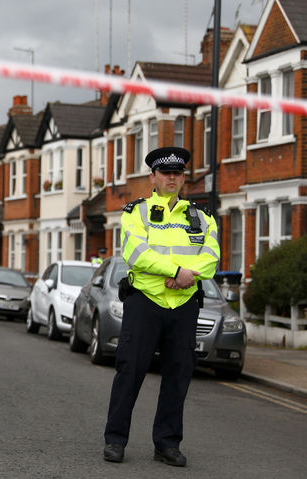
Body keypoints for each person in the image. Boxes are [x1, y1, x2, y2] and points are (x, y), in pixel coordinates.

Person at [102, 146, 219, 468]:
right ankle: (115, 440)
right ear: (153, 177)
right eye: (166, 173)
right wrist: (176, 272)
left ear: (183, 178)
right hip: (146, 301)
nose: (172, 178)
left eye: (177, 173)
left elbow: (211, 259)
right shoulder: (135, 212)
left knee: (178, 375)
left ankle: (167, 444)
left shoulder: (202, 216)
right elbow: (136, 253)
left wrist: (186, 278)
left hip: (183, 304)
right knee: (130, 371)